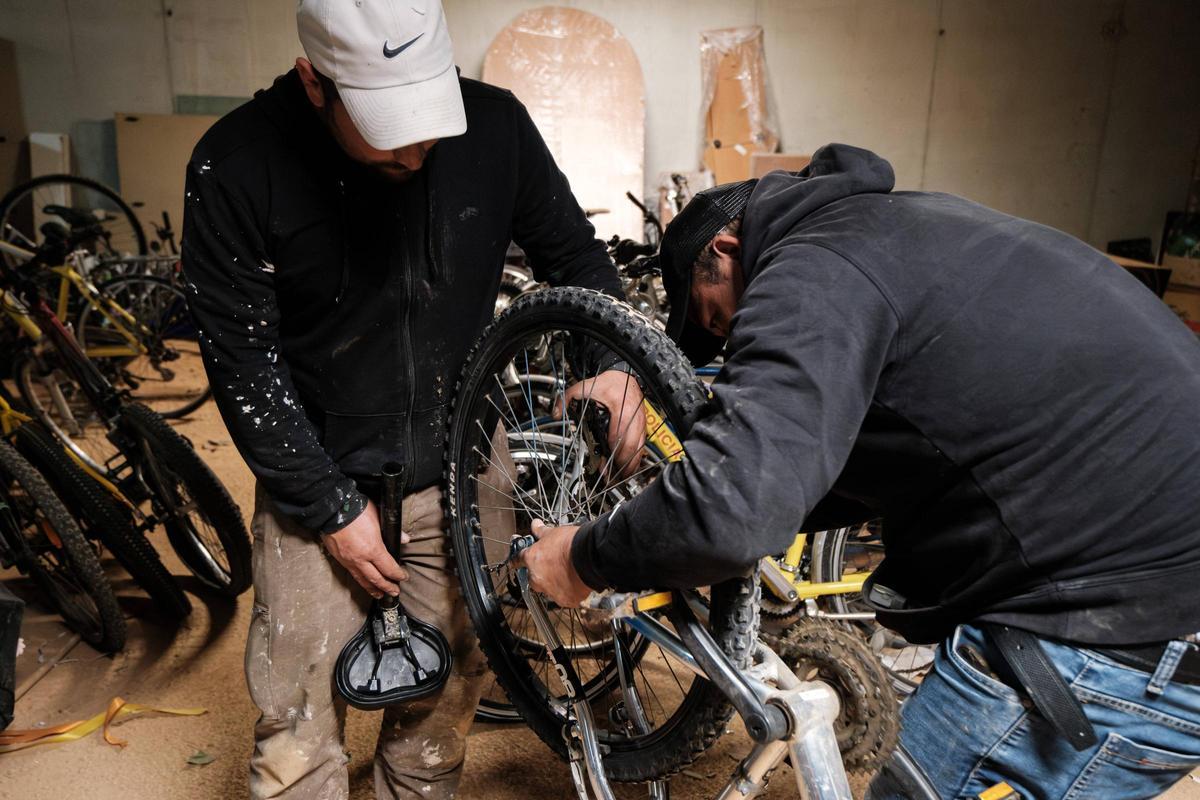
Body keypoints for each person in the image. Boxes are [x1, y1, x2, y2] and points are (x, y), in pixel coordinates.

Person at [522, 143, 1200, 798]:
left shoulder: (810, 269)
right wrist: (685, 499)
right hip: (1152, 588)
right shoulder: (901, 225)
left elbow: (732, 509)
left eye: (715, 318)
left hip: (1116, 629)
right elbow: (847, 457)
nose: (729, 338)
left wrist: (585, 555)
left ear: (724, 253)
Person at [181, 1, 642, 797]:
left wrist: (611, 364)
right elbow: (242, 362)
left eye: (430, 118)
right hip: (316, 462)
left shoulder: (494, 130)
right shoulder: (238, 162)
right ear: (313, 83)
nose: (419, 147)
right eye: (389, 129)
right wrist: (326, 505)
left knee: (443, 702)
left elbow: (579, 264)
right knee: (296, 722)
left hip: (462, 459)